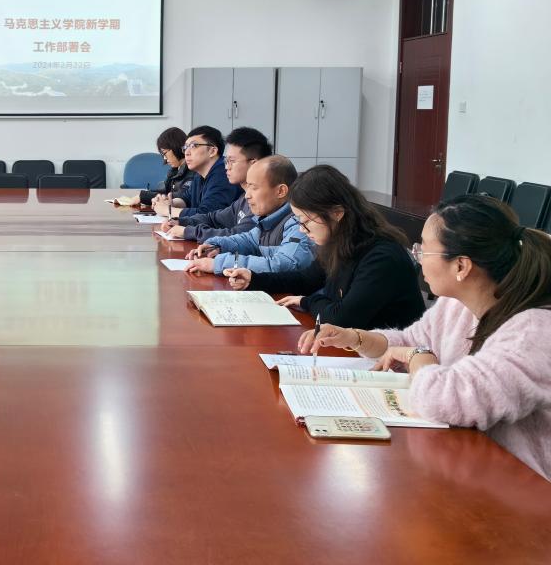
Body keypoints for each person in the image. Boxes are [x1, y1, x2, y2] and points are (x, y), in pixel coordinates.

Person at [301, 194, 551, 481]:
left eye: (423, 250)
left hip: (525, 485)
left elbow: (447, 399)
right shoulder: (456, 304)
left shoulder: (533, 333)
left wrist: (417, 357)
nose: (417, 258)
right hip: (467, 462)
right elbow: (411, 342)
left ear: (461, 266)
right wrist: (355, 338)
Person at [224, 164, 425, 328]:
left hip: (390, 355)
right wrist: (254, 279)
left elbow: (341, 318)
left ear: (337, 213)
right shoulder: (339, 242)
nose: (302, 229)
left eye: (306, 221)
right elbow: (306, 279)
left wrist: (307, 301)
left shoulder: (381, 256)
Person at [185, 155, 312, 275]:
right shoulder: (268, 218)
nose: (247, 195)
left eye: (254, 188)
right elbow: (248, 241)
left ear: (281, 191)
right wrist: (217, 246)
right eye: (247, 187)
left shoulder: (299, 225)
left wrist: (219, 263)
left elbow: (283, 265)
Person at [160, 126, 272, 240]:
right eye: (226, 161)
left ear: (253, 163)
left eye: (232, 161)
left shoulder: (262, 199)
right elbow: (214, 218)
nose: (227, 167)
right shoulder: (243, 198)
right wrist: (181, 221)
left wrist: (188, 231)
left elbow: (238, 236)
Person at [155, 125, 241, 223]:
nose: (186, 153)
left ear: (212, 151)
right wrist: (169, 202)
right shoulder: (200, 173)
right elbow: (186, 199)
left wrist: (168, 211)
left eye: (193, 146)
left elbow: (207, 215)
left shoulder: (223, 173)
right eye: (185, 147)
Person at [138, 127, 194, 206]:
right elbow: (165, 192)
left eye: (165, 153)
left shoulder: (193, 170)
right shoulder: (174, 171)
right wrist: (142, 195)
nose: (164, 158)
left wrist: (143, 197)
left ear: (176, 147)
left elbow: (181, 196)